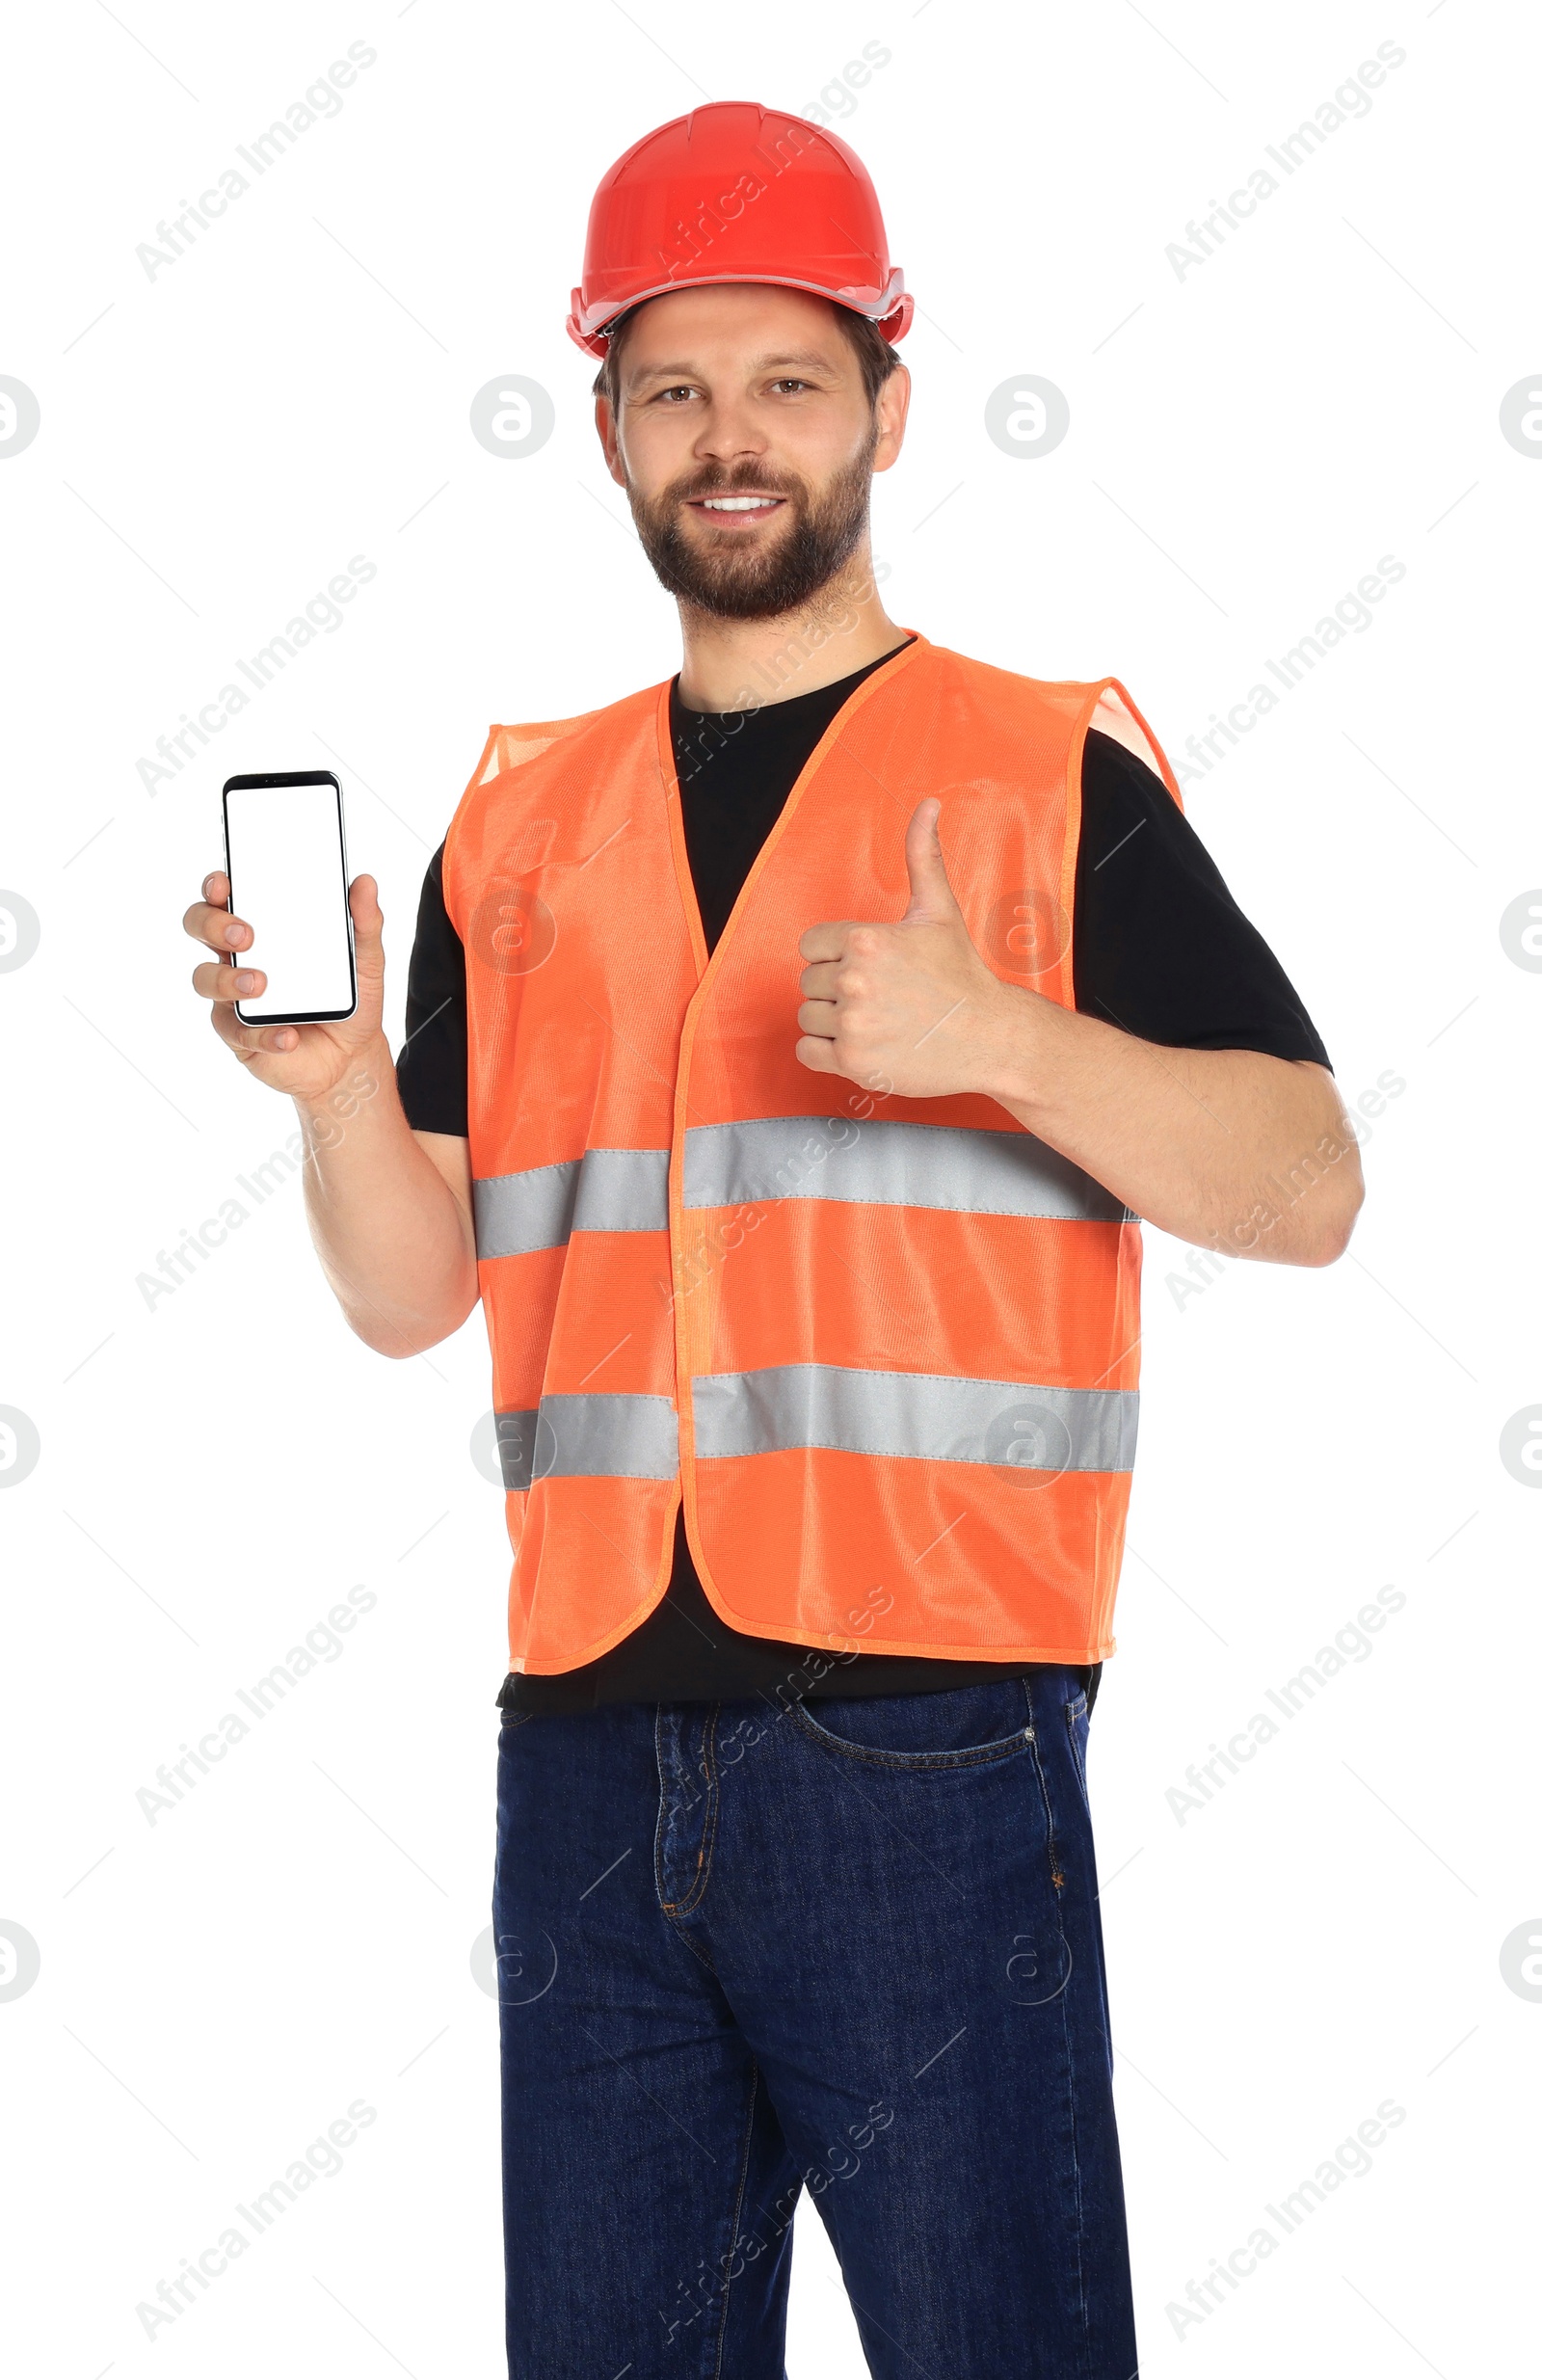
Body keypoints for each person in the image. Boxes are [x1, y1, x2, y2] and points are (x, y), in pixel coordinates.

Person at [185, 99, 1363, 2380]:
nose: (730, 440)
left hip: (919, 1741)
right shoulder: (513, 828)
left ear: (887, 408)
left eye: (786, 382)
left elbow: (1302, 1184)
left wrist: (998, 1032)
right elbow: (414, 1291)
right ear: (612, 430)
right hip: (587, 1761)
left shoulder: (1041, 775)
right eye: (674, 390)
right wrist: (339, 1100)